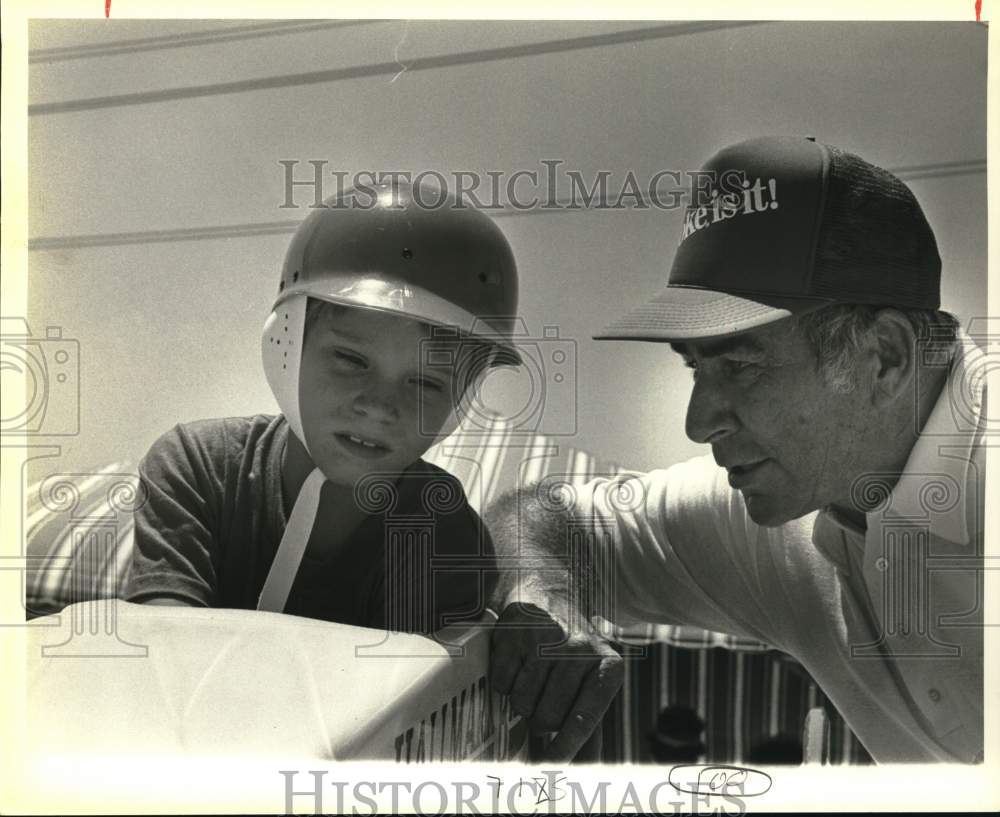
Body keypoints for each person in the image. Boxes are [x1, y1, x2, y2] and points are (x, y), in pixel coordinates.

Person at [486, 136, 984, 763]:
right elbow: (547, 516)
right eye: (696, 368)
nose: (698, 423)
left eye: (741, 366)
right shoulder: (793, 498)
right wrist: (540, 585)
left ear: (883, 358)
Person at [122, 180, 521, 634]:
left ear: (459, 401)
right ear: (286, 343)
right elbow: (165, 651)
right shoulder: (199, 466)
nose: (379, 407)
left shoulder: (443, 533)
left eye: (426, 383)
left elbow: (409, 698)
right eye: (351, 360)